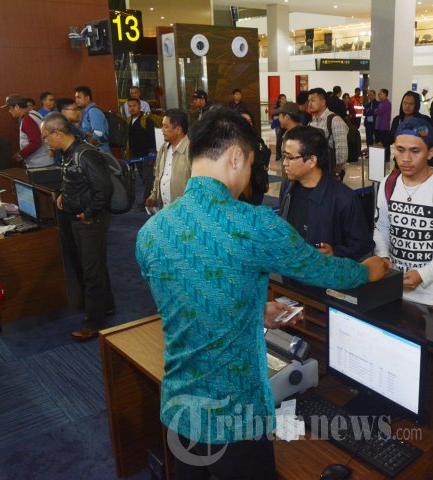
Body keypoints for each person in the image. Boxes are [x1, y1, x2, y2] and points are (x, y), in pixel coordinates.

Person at [135, 108, 388, 479]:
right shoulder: (254, 224)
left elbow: (191, 301)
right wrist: (367, 271)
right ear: (236, 156)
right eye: (251, 164)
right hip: (237, 417)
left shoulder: (151, 232)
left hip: (180, 409)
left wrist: (253, 312)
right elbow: (321, 269)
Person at [374, 118, 433, 311]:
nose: (406, 158)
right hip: (393, 288)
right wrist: (383, 256)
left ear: (431, 152)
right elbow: (381, 226)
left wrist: (424, 274)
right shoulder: (388, 183)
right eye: (400, 150)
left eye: (415, 151)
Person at [41, 113, 114, 341]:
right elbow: (76, 180)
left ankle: (93, 323)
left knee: (91, 270)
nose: (45, 141)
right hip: (77, 217)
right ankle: (106, 305)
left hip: (90, 220)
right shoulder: (68, 153)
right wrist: (64, 194)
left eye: (46, 137)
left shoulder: (85, 154)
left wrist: (89, 213)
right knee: (93, 264)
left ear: (57, 133)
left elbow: (104, 189)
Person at [279, 126, 374, 260]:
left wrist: (335, 252)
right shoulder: (288, 187)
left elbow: (363, 244)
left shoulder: (343, 198)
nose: (284, 163)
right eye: (284, 156)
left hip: (325, 271)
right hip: (292, 268)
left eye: (289, 157)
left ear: (312, 161)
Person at [146, 109, 191, 209]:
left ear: (178, 130)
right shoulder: (163, 148)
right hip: (164, 210)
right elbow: (158, 175)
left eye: (166, 126)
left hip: (184, 211)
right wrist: (154, 196)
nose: (162, 130)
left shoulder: (192, 151)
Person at [307, 87, 348, 179]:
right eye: (309, 101)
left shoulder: (335, 120)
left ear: (323, 102)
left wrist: (337, 174)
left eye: (313, 100)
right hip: (315, 171)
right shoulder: (311, 122)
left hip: (331, 171)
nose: (309, 104)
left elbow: (342, 152)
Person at [2, 94, 52, 168]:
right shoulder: (33, 113)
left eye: (10, 108)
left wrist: (19, 155)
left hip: (39, 163)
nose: (9, 111)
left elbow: (35, 142)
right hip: (44, 160)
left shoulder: (27, 120)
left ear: (17, 107)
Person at [387, 91, 433, 166]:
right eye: (405, 103)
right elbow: (392, 137)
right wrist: (381, 143)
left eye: (411, 104)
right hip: (400, 161)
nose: (407, 106)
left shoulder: (423, 121)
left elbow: (430, 141)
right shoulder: (397, 120)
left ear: (416, 105)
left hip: (418, 161)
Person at [126, 98, 157, 207]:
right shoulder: (128, 120)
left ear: (140, 107)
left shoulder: (147, 120)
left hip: (147, 155)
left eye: (134, 105)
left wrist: (152, 153)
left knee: (148, 180)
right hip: (135, 155)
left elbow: (152, 137)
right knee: (144, 179)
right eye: (129, 106)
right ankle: (150, 200)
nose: (132, 108)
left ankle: (147, 202)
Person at [75, 85, 111, 154]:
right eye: (76, 97)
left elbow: (98, 133)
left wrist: (86, 146)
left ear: (87, 98)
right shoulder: (84, 112)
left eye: (79, 97)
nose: (76, 100)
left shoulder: (93, 111)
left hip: (100, 150)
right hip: (93, 150)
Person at [276, 101, 303, 185]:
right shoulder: (288, 133)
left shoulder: (299, 136)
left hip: (296, 183)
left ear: (287, 117)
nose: (278, 119)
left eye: (280, 116)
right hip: (288, 181)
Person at [270, 94, 287, 162]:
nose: (284, 100)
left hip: (285, 125)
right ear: (279, 100)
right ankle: (278, 155)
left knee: (286, 140)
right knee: (279, 140)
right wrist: (281, 109)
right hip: (278, 126)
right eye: (282, 98)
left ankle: (286, 155)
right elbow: (274, 116)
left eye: (285, 98)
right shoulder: (276, 107)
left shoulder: (287, 106)